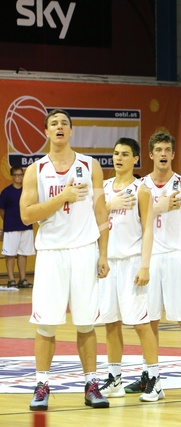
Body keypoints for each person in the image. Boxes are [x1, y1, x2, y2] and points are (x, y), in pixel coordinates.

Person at [20, 109, 110, 411]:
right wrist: (63, 197)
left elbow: (101, 212)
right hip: (51, 253)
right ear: (46, 131)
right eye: (54, 124)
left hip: (84, 250)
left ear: (71, 131)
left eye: (64, 124)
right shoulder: (36, 170)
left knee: (86, 324)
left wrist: (104, 253)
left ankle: (91, 384)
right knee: (46, 325)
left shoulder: (91, 165)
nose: (59, 127)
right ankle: (42, 384)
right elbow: (26, 214)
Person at [135, 132, 181, 395]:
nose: (163, 154)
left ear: (173, 154)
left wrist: (180, 239)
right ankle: (149, 374)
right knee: (148, 319)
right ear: (151, 154)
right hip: (149, 257)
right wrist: (160, 208)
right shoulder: (140, 186)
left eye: (168, 149)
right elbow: (136, 221)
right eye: (159, 149)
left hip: (177, 256)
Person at [97, 138, 162, 402]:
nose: (119, 158)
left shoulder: (142, 190)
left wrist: (145, 265)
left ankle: (155, 380)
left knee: (140, 323)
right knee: (110, 323)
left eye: (125, 154)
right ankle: (115, 380)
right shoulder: (102, 189)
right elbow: (92, 222)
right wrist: (109, 206)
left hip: (133, 261)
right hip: (108, 263)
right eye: (115, 153)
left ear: (136, 159)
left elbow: (148, 230)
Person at [0, 166, 35, 288]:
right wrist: (9, 221)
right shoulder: (6, 192)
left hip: (26, 226)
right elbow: (2, 210)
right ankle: (11, 280)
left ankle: (23, 279)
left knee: (23, 253)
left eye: (21, 175)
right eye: (16, 175)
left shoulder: (27, 191)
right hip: (11, 228)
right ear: (12, 177)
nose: (19, 177)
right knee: (10, 254)